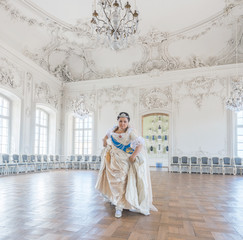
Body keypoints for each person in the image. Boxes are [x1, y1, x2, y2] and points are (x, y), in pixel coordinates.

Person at [95, 112, 157, 218]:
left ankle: (119, 206)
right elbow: (105, 138)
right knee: (113, 182)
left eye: (125, 121)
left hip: (124, 161)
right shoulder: (112, 130)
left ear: (128, 122)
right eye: (120, 121)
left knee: (121, 182)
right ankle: (115, 199)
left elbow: (140, 144)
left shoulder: (130, 132)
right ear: (118, 121)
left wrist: (133, 156)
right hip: (112, 160)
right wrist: (104, 141)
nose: (122, 123)